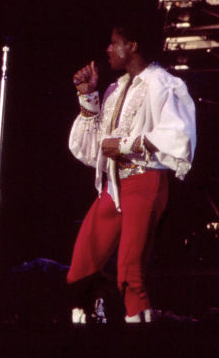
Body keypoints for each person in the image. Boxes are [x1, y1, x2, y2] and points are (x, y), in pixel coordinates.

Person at [67, 17, 196, 323]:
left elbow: (179, 136)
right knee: (81, 267)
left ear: (133, 46)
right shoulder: (115, 88)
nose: (108, 49)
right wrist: (88, 97)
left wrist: (125, 145)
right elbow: (95, 146)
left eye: (114, 42)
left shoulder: (164, 85)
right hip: (114, 185)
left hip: (146, 181)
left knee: (129, 273)